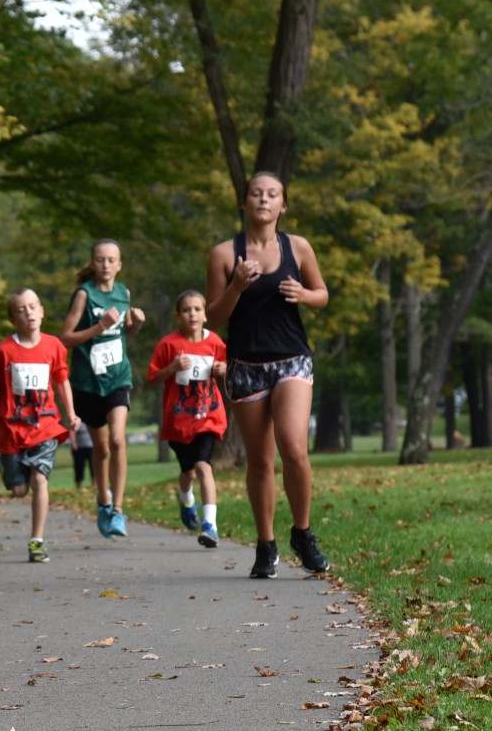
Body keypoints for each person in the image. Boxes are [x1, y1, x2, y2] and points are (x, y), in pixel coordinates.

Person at [206, 172, 331, 578]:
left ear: (283, 205)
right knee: (259, 461)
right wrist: (237, 286)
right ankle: (266, 545)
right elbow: (213, 316)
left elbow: (322, 294)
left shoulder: (298, 247)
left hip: (291, 358)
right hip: (246, 364)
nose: (263, 200)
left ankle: (303, 533)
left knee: (294, 447)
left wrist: (304, 296)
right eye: (256, 194)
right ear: (244, 203)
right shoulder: (225, 254)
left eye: (272, 194)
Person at [0, 289, 76, 563]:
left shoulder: (54, 346)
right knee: (19, 489)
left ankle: (37, 541)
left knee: (39, 479)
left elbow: (61, 381)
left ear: (42, 311)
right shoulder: (3, 352)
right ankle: (9, 474)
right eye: (21, 309)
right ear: (12, 319)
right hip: (11, 431)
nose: (29, 312)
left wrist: (70, 412)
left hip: (44, 426)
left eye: (33, 306)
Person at [61, 239, 145, 538]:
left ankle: (119, 510)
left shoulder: (124, 293)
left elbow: (124, 334)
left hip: (118, 377)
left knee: (119, 440)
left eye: (112, 260)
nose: (106, 265)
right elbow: (65, 338)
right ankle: (103, 500)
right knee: (101, 447)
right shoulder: (85, 295)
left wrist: (135, 324)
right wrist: (98, 327)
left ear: (119, 265)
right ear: (93, 263)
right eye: (100, 259)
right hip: (88, 382)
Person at [147, 290, 229, 548]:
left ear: (205, 315)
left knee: (204, 467)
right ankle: (186, 499)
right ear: (177, 316)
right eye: (186, 310)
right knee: (188, 472)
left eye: (197, 309)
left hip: (208, 416)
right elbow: (153, 378)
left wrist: (222, 369)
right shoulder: (168, 344)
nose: (192, 314)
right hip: (179, 420)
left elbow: (230, 368)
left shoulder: (215, 342)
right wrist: (171, 368)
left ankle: (210, 526)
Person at [70, 419, 94, 491]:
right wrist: (73, 444)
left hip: (91, 447)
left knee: (94, 467)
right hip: (79, 448)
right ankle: (79, 486)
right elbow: (72, 431)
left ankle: (95, 485)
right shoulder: (77, 420)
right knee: (79, 467)